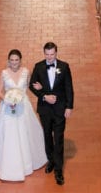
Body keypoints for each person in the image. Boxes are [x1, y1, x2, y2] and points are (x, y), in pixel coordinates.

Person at [0, 49, 49, 182]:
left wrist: (41, 88)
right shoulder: (4, 73)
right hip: (8, 107)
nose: (14, 63)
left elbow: (30, 87)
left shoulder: (26, 72)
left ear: (20, 61)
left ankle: (28, 160)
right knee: (9, 133)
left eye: (16, 60)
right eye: (12, 60)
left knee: (26, 131)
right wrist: (7, 99)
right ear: (8, 61)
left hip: (23, 106)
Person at [29, 42, 74, 185]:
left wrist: (69, 107)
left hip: (60, 109)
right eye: (47, 54)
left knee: (59, 138)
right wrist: (44, 95)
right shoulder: (39, 67)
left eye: (52, 54)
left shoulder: (64, 67)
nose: (49, 57)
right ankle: (51, 161)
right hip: (45, 109)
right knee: (47, 136)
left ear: (56, 53)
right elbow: (32, 85)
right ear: (44, 53)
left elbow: (69, 88)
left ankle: (59, 170)